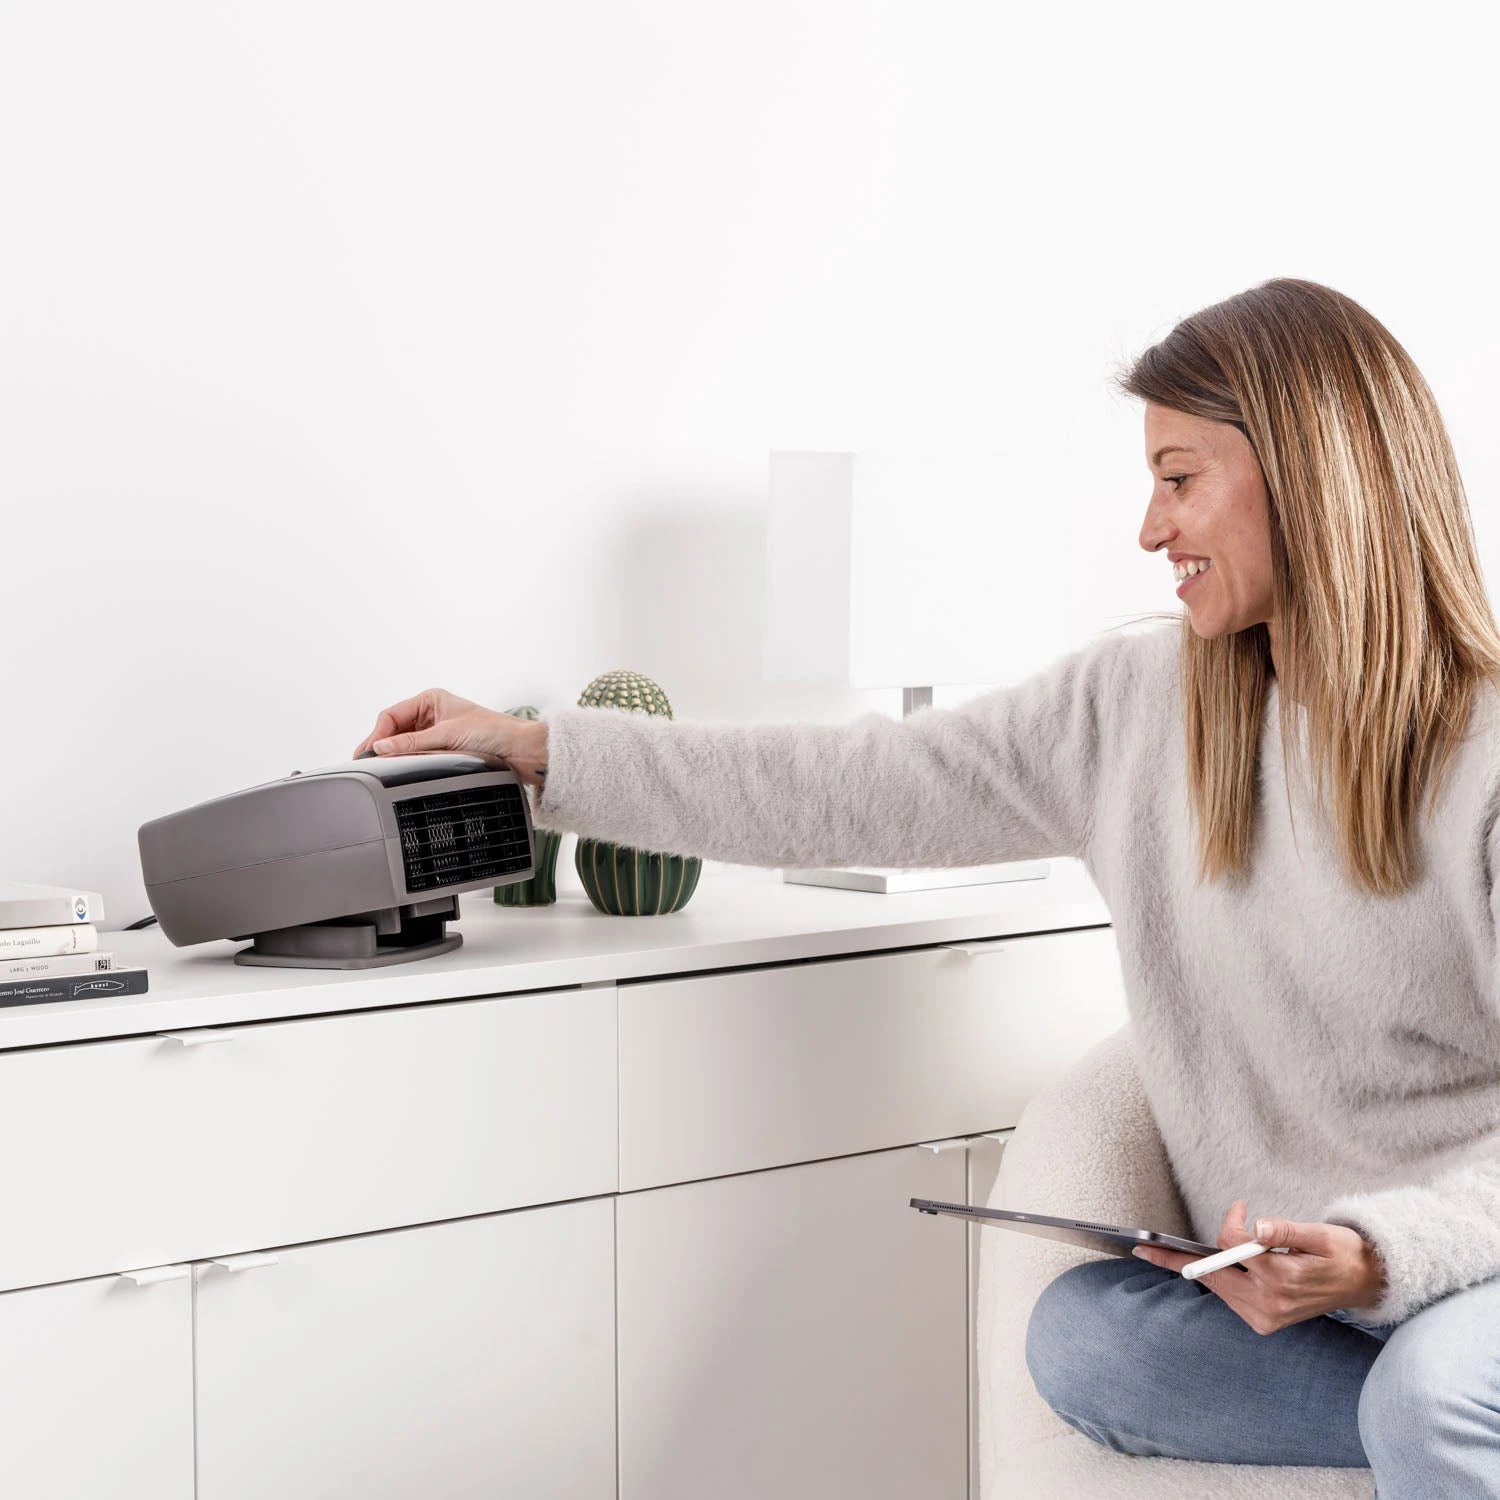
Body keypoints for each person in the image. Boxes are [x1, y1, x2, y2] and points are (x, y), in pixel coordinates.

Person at [355, 278, 1500, 1495]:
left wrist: (1382, 1255)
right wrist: (545, 756)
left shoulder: (1481, 760)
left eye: (1179, 478)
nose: (1149, 529)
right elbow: (853, 785)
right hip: (1304, 1311)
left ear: (1312, 477)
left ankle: (1436, 1425)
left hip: (1469, 1276)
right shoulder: (1137, 707)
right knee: (1084, 1342)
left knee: (1432, 1391)